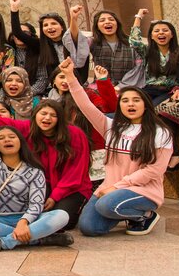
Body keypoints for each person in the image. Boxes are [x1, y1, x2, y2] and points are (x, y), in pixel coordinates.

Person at [61, 58, 172, 237]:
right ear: (120, 106)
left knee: (106, 205)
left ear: (145, 105)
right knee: (89, 227)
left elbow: (154, 170)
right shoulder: (111, 127)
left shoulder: (160, 132)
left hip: (143, 190)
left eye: (136, 100)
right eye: (125, 100)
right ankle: (124, 210)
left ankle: (145, 215)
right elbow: (85, 105)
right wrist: (69, 76)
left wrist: (118, 187)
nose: (130, 104)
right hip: (111, 188)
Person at [0, 74, 91, 230]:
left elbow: (75, 172)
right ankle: (22, 233)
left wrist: (55, 197)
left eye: (53, 115)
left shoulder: (74, 134)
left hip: (71, 188)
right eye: (43, 114)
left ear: (60, 118)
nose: (47, 118)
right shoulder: (28, 129)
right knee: (33, 216)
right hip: (42, 185)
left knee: (64, 222)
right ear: (35, 116)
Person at [0, 97, 74, 252]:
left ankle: (5, 242)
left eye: (12, 137)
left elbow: (36, 205)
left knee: (62, 215)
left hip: (27, 219)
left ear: (20, 142)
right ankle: (39, 239)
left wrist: (24, 222)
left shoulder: (34, 171)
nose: (7, 140)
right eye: (1, 138)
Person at [131, 16, 179, 103]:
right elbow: (134, 41)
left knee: (153, 107)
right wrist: (138, 17)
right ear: (152, 36)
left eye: (165, 30)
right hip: (150, 89)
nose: (161, 33)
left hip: (171, 91)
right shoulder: (147, 50)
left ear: (172, 34)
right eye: (156, 31)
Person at [90, 10, 143, 87]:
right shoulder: (93, 43)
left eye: (111, 19)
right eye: (102, 20)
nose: (107, 22)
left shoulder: (130, 43)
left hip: (128, 87)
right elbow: (76, 44)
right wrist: (74, 18)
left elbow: (138, 67)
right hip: (101, 87)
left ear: (117, 24)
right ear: (97, 27)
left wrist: (120, 87)